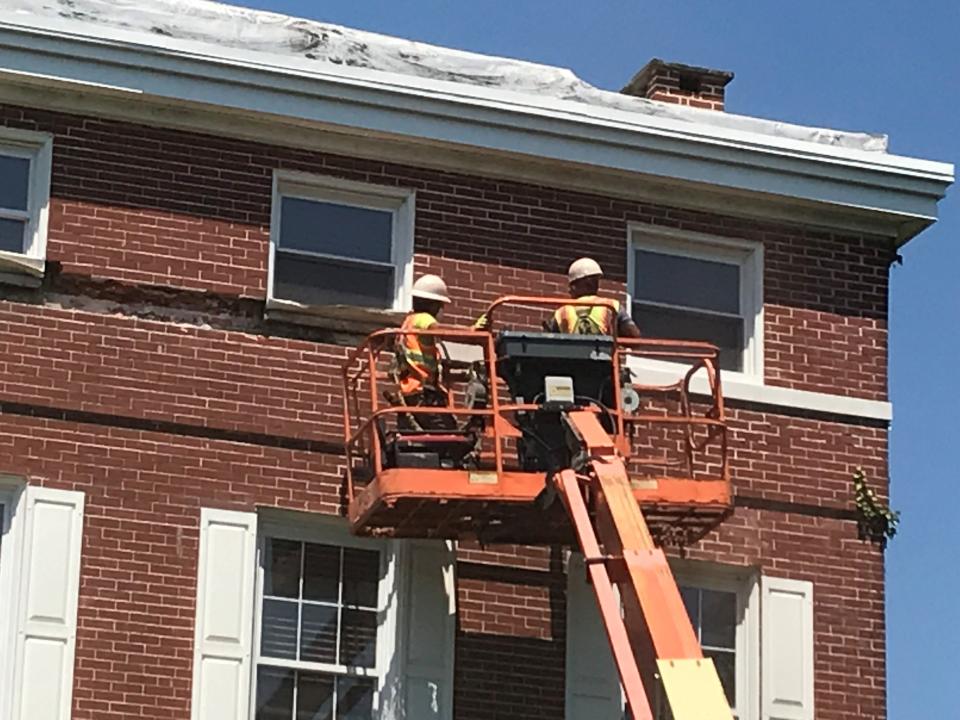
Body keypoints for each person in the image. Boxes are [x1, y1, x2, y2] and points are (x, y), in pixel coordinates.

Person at [394, 274, 458, 431]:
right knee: (452, 437)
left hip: (410, 392)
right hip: (422, 394)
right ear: (433, 305)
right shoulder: (423, 318)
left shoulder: (407, 322)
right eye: (441, 305)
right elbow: (439, 330)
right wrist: (472, 332)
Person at [547, 257, 641, 337]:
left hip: (573, 358)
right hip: (605, 357)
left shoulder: (561, 313)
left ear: (576, 285)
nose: (569, 290)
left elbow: (548, 344)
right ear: (595, 284)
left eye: (571, 285)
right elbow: (634, 336)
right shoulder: (611, 306)